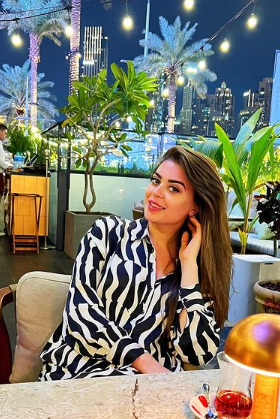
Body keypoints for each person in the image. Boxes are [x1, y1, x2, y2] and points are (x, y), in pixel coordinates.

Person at [39, 146, 232, 381]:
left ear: (195, 206)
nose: (156, 193)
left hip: (150, 387)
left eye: (173, 188)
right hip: (81, 371)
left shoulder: (198, 268)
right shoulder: (108, 234)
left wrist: (189, 268)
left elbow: (197, 354)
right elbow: (80, 314)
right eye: (156, 181)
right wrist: (143, 361)